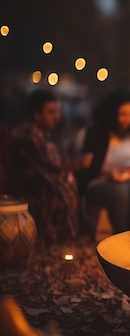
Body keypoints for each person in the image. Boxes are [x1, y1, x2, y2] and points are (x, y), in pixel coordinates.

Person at [10, 89, 92, 245]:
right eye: (51, 112)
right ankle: (61, 240)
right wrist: (75, 164)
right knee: (63, 187)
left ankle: (67, 238)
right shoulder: (30, 134)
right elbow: (53, 163)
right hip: (32, 186)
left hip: (40, 180)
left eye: (58, 112)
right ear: (37, 114)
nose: (57, 118)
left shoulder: (39, 133)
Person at [76, 89, 130, 237]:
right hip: (100, 181)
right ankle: (121, 236)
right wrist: (109, 174)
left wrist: (129, 173)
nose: (128, 119)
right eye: (123, 114)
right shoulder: (95, 134)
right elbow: (86, 168)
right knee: (120, 191)